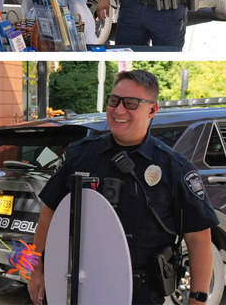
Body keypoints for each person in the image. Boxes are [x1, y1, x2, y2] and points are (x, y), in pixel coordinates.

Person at [28, 69, 218, 305]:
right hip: (77, 287)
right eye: (114, 101)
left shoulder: (174, 168)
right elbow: (49, 214)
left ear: (152, 110)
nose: (119, 110)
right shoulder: (80, 155)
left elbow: (198, 238)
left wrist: (197, 299)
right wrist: (34, 269)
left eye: (131, 103)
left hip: (140, 294)